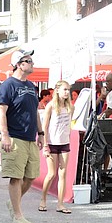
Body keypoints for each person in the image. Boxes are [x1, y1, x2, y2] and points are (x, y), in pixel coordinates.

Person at [0, 48, 43, 223]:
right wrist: (5, 135)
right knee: (16, 177)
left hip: (30, 138)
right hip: (15, 137)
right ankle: (17, 214)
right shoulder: (8, 85)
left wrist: (40, 134)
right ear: (19, 64)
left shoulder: (31, 86)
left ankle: (13, 203)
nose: (32, 64)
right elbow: (1, 111)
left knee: (31, 177)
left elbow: (35, 112)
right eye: (28, 61)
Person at [38, 80, 73, 214]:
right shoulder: (51, 106)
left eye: (68, 90)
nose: (67, 92)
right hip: (52, 142)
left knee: (63, 173)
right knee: (51, 173)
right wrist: (45, 144)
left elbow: (69, 124)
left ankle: (60, 203)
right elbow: (45, 126)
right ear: (57, 90)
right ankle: (43, 199)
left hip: (64, 142)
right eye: (65, 89)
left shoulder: (70, 106)